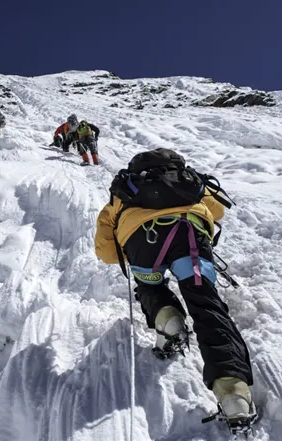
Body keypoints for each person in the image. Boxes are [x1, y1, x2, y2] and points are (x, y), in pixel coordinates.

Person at [94, 148, 255, 429]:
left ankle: (168, 321)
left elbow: (107, 252)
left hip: (143, 242)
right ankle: (232, 394)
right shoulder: (188, 179)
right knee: (206, 304)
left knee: (150, 287)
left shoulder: (124, 190)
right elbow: (216, 211)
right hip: (189, 235)